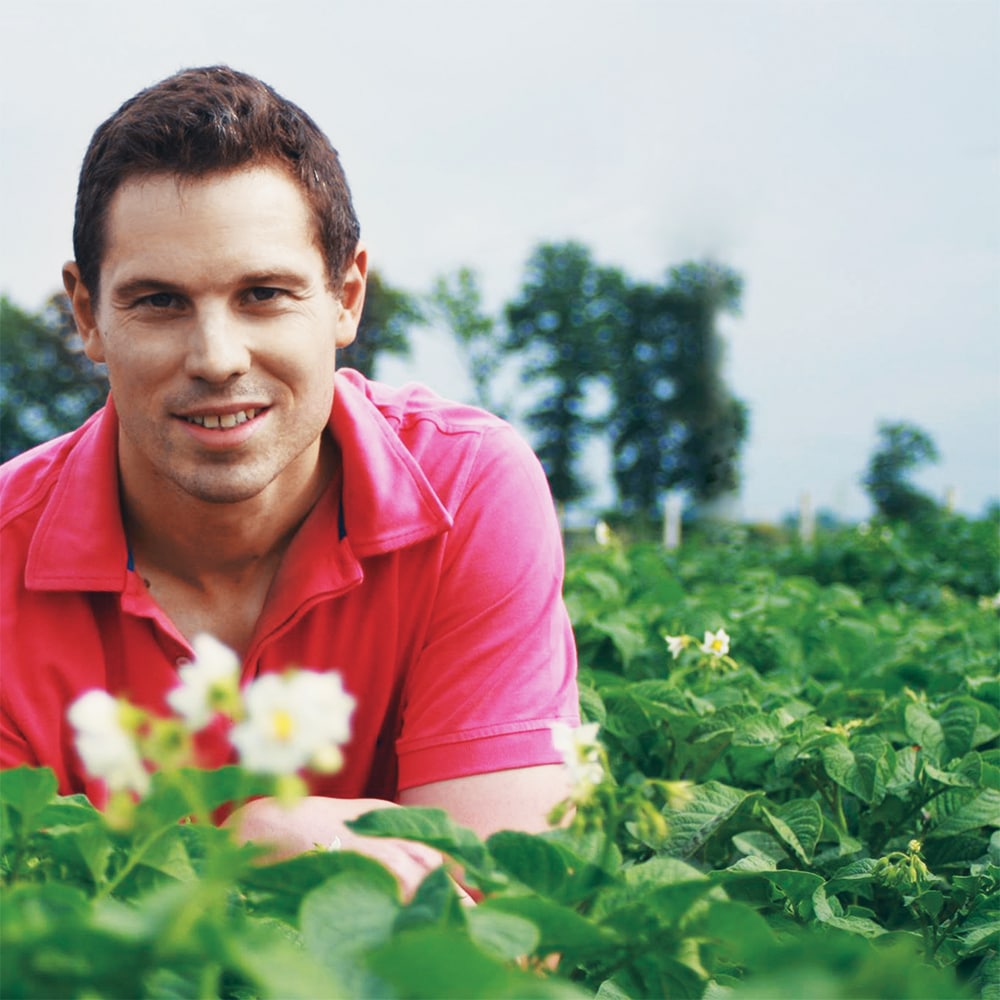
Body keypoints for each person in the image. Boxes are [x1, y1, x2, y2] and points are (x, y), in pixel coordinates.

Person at [0, 66, 579, 893]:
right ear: (88, 316)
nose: (217, 358)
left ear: (345, 298)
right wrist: (259, 846)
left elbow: (519, 918)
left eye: (264, 294)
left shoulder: (465, 491)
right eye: (159, 302)